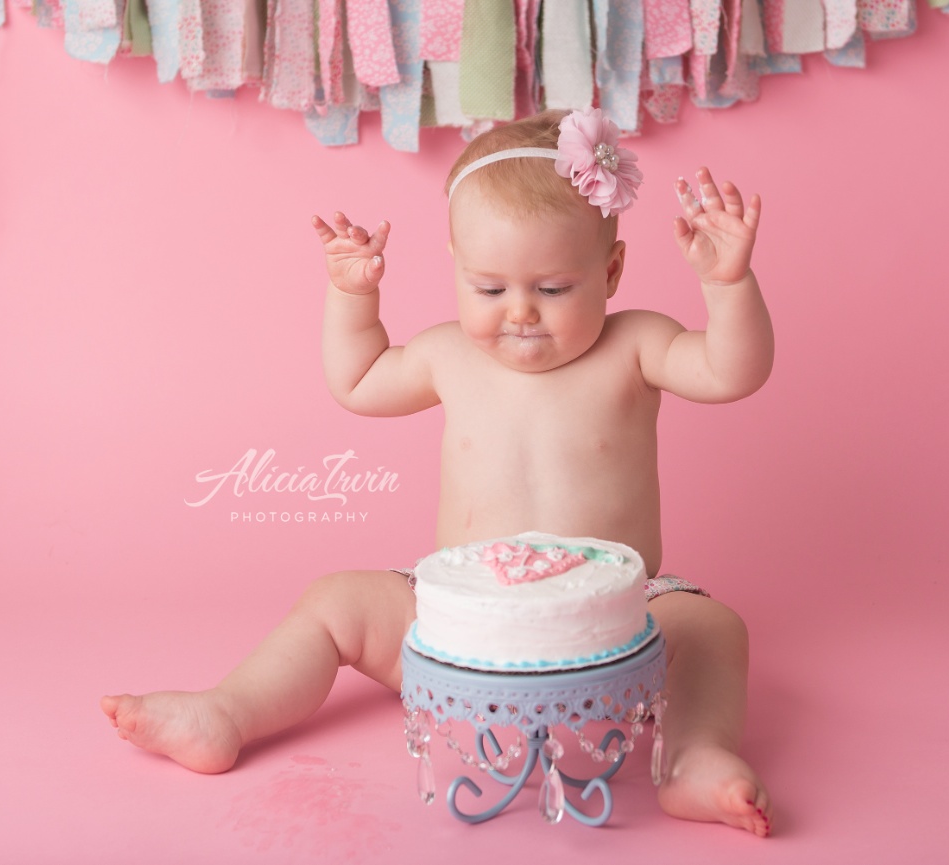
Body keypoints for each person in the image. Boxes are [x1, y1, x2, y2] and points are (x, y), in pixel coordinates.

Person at [101, 108, 775, 836]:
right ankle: (226, 710)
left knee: (709, 627)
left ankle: (693, 759)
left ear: (609, 271)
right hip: (456, 617)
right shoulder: (448, 353)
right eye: (489, 289)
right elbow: (357, 381)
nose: (519, 313)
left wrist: (728, 284)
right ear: (456, 264)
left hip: (613, 621)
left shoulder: (636, 344)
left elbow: (729, 370)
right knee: (334, 601)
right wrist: (354, 296)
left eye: (552, 289)